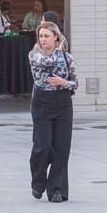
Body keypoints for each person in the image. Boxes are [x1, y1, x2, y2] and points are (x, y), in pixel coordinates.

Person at [28, 21, 76, 202]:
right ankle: (38, 181)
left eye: (46, 36)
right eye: (40, 36)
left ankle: (56, 188)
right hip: (42, 102)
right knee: (43, 145)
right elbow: (46, 62)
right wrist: (58, 50)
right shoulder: (34, 55)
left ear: (55, 37)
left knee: (62, 148)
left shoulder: (67, 58)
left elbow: (75, 83)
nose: (43, 39)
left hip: (62, 103)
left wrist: (63, 83)